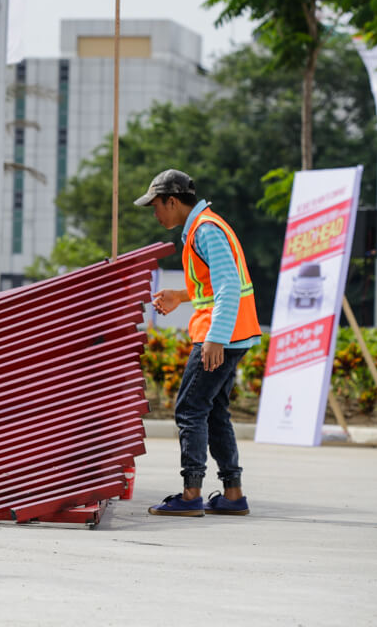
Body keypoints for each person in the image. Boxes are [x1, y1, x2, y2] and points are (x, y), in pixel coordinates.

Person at [136, 169, 260, 517]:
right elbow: (212, 283)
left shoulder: (206, 230)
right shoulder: (204, 227)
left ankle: (191, 494)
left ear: (172, 201)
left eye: (156, 206)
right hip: (232, 333)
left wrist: (215, 338)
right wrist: (179, 295)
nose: (155, 213)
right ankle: (232, 494)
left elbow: (228, 287)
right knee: (214, 411)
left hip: (221, 334)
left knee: (189, 408)